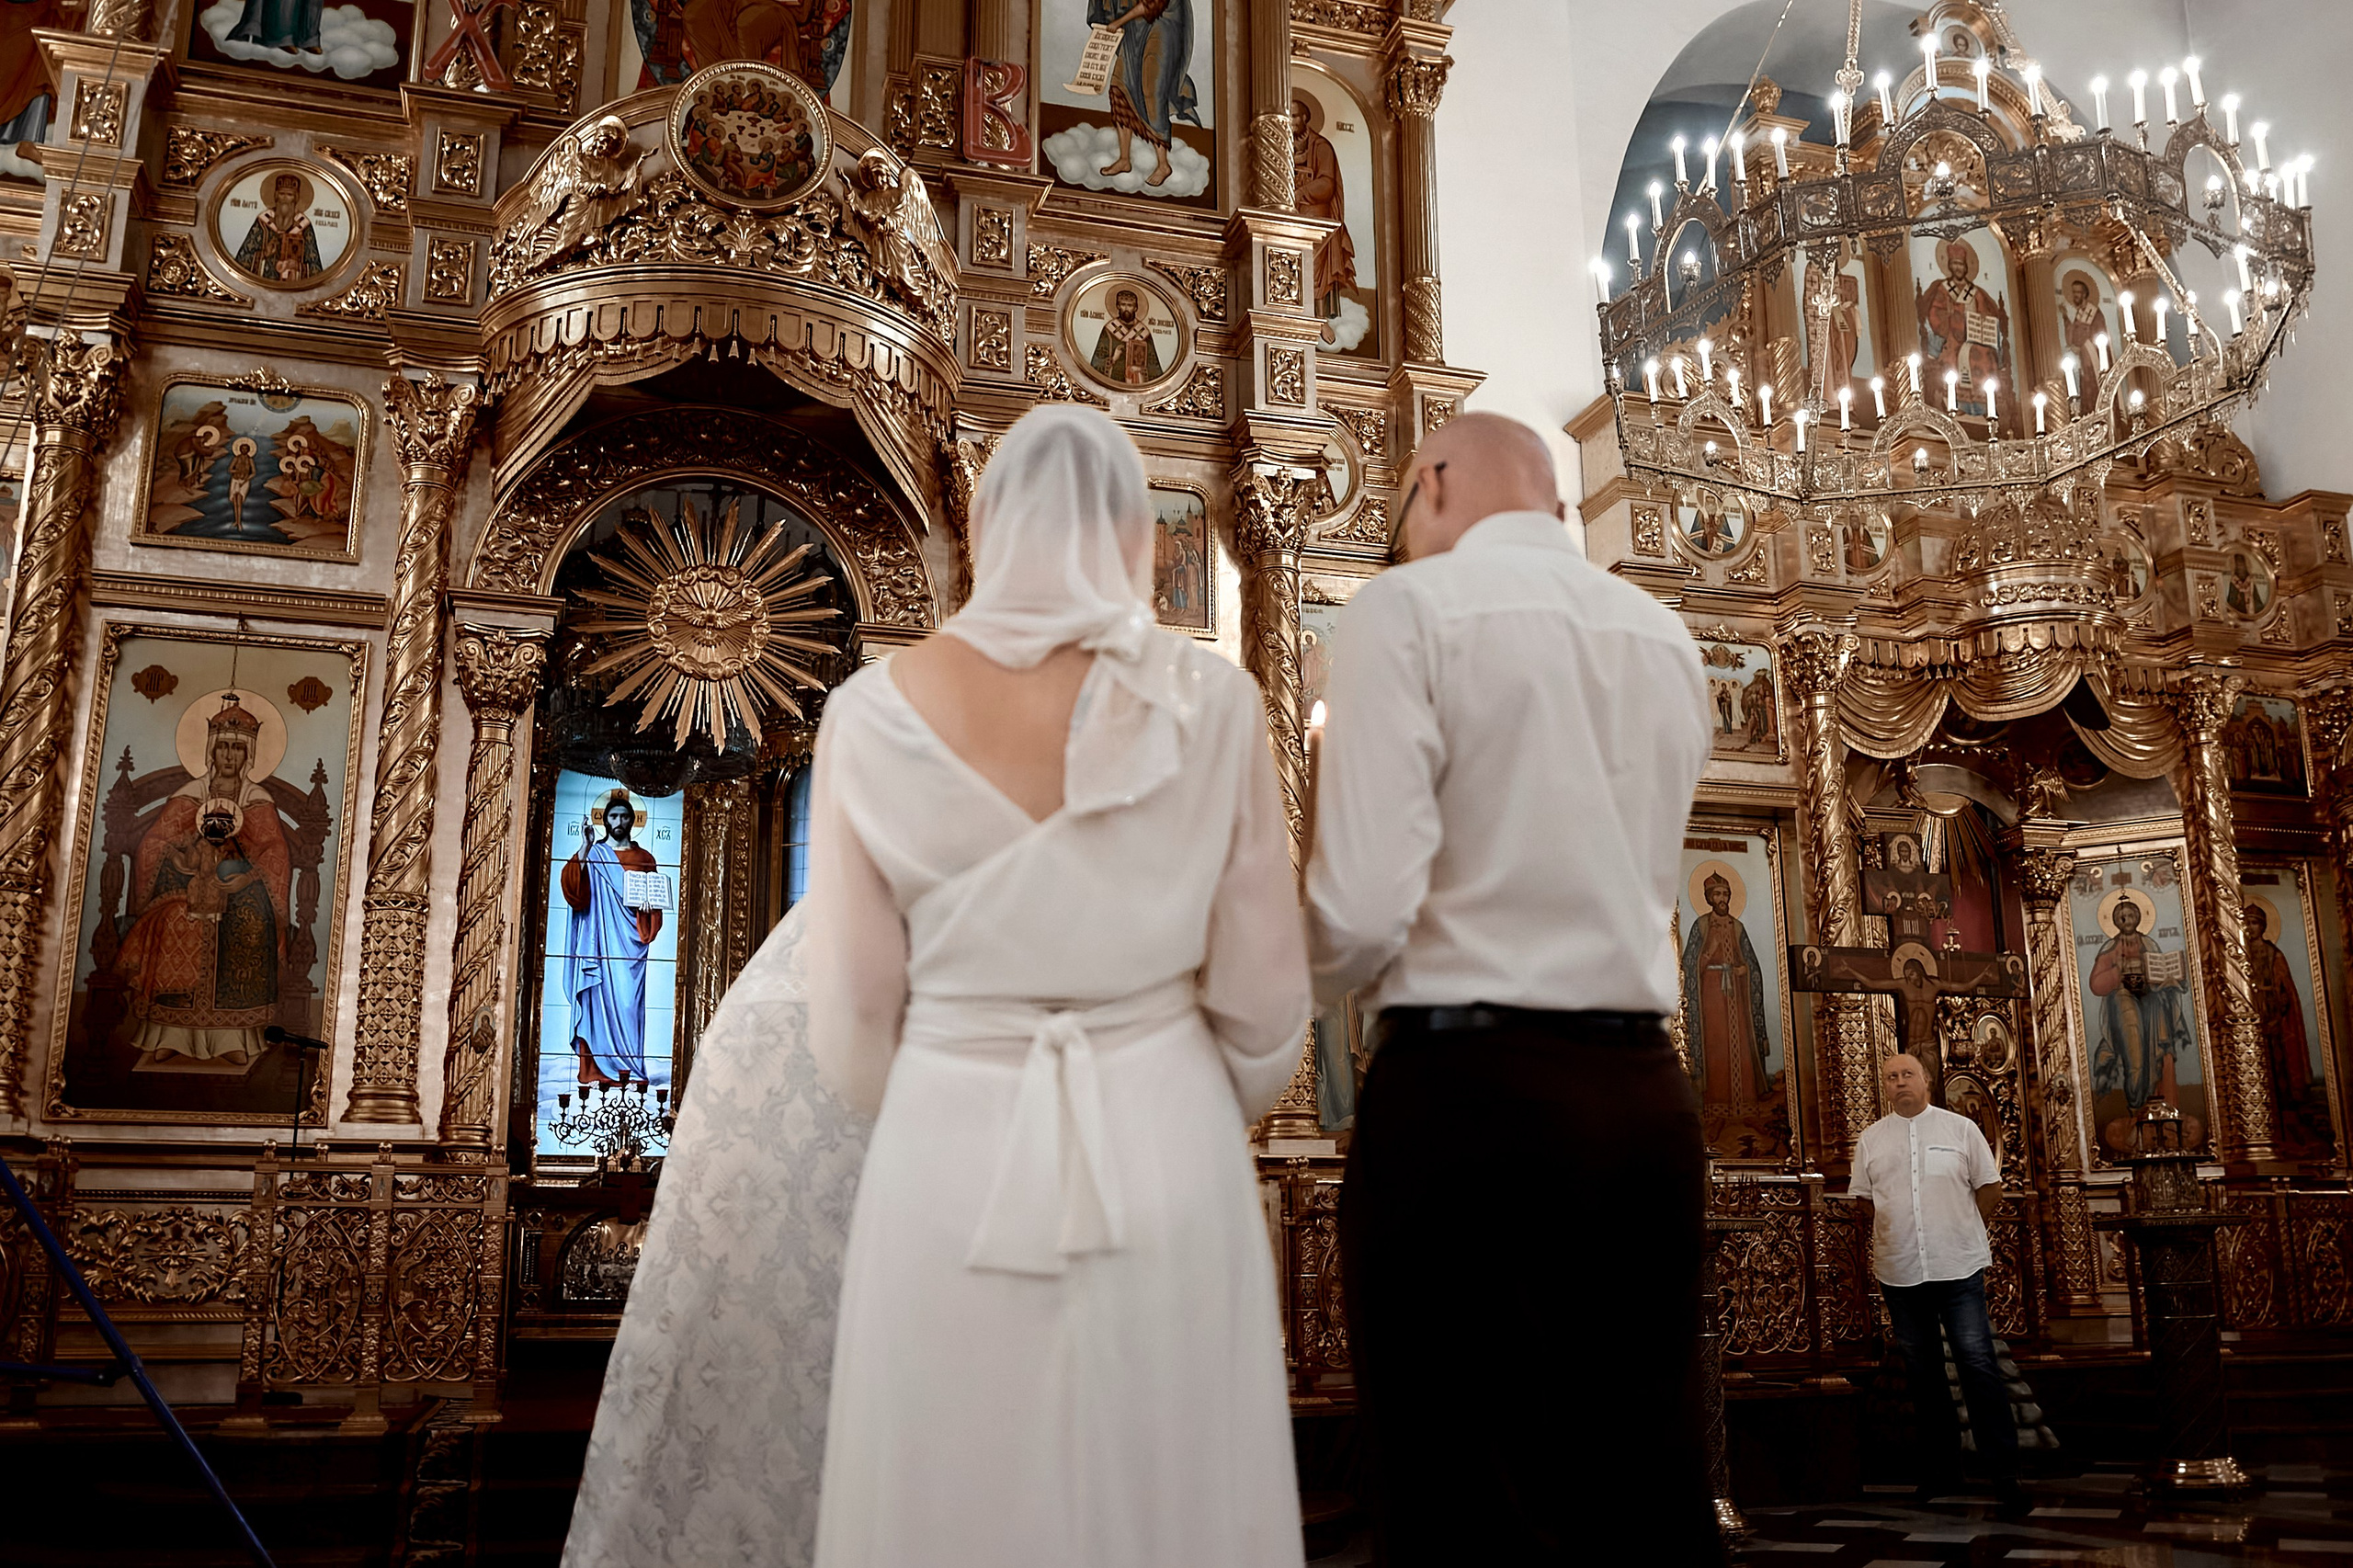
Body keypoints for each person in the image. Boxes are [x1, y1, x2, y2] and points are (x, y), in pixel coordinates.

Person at [1307, 411, 1718, 1563]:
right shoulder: (1662, 637)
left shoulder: (1403, 610)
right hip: (1645, 1102)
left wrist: (1265, 973)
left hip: (1467, 1099)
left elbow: (1358, 906)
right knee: (1642, 1475)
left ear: (1429, 480)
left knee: (1466, 1488)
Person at [1847, 1052, 2018, 1503]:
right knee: (1923, 1374)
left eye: (1907, 1074)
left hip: (1957, 1264)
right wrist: (1896, 1225)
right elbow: (1863, 1198)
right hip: (1900, 1269)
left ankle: (2004, 1475)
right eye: (1891, 1077)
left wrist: (1958, 1224)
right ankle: (1944, 1473)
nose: (1899, 1082)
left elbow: (1990, 1187)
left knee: (1977, 1363)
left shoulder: (1960, 1129)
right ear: (1884, 1087)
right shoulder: (1871, 1139)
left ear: (1925, 1080)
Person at [561, 791, 665, 1085]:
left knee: (629, 1006)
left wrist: (647, 913)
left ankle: (630, 1067)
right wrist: (584, 845)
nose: (619, 821)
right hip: (598, 944)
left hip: (631, 945)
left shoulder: (645, 858)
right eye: (613, 816)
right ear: (605, 820)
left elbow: (654, 900)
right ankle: (595, 1070)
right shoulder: (594, 853)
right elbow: (573, 891)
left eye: (625, 816)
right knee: (596, 1000)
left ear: (634, 821)